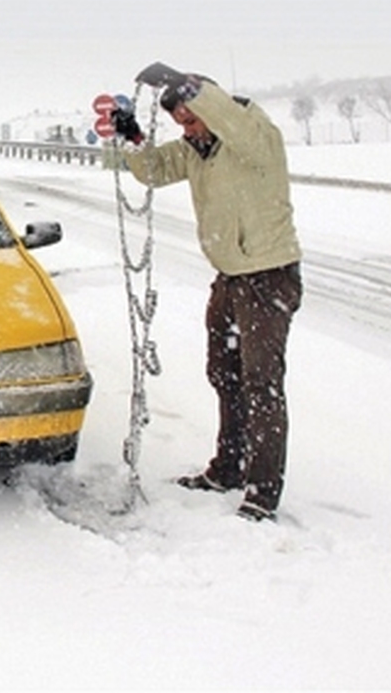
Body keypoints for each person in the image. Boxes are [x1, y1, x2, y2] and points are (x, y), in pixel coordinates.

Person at [111, 62, 303, 523]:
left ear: (208, 105)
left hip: (267, 277)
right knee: (224, 373)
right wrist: (134, 138)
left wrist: (187, 86)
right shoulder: (197, 148)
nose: (189, 129)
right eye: (182, 123)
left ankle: (261, 493)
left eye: (192, 118)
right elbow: (153, 171)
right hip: (230, 278)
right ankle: (229, 468)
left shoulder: (255, 136)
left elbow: (229, 117)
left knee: (261, 386)